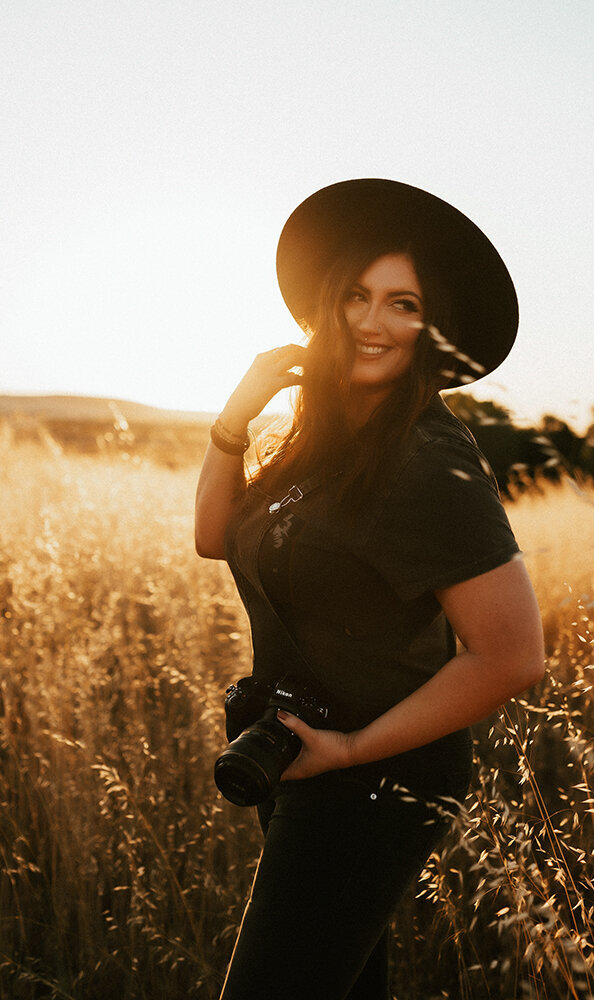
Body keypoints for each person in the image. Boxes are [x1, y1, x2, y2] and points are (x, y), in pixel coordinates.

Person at [195, 179, 544, 1000]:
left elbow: (512, 656)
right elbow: (216, 537)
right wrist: (232, 421)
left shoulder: (428, 459)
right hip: (298, 755)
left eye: (403, 304)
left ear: (432, 329)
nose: (370, 321)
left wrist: (350, 750)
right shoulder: (315, 440)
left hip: (374, 778)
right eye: (355, 295)